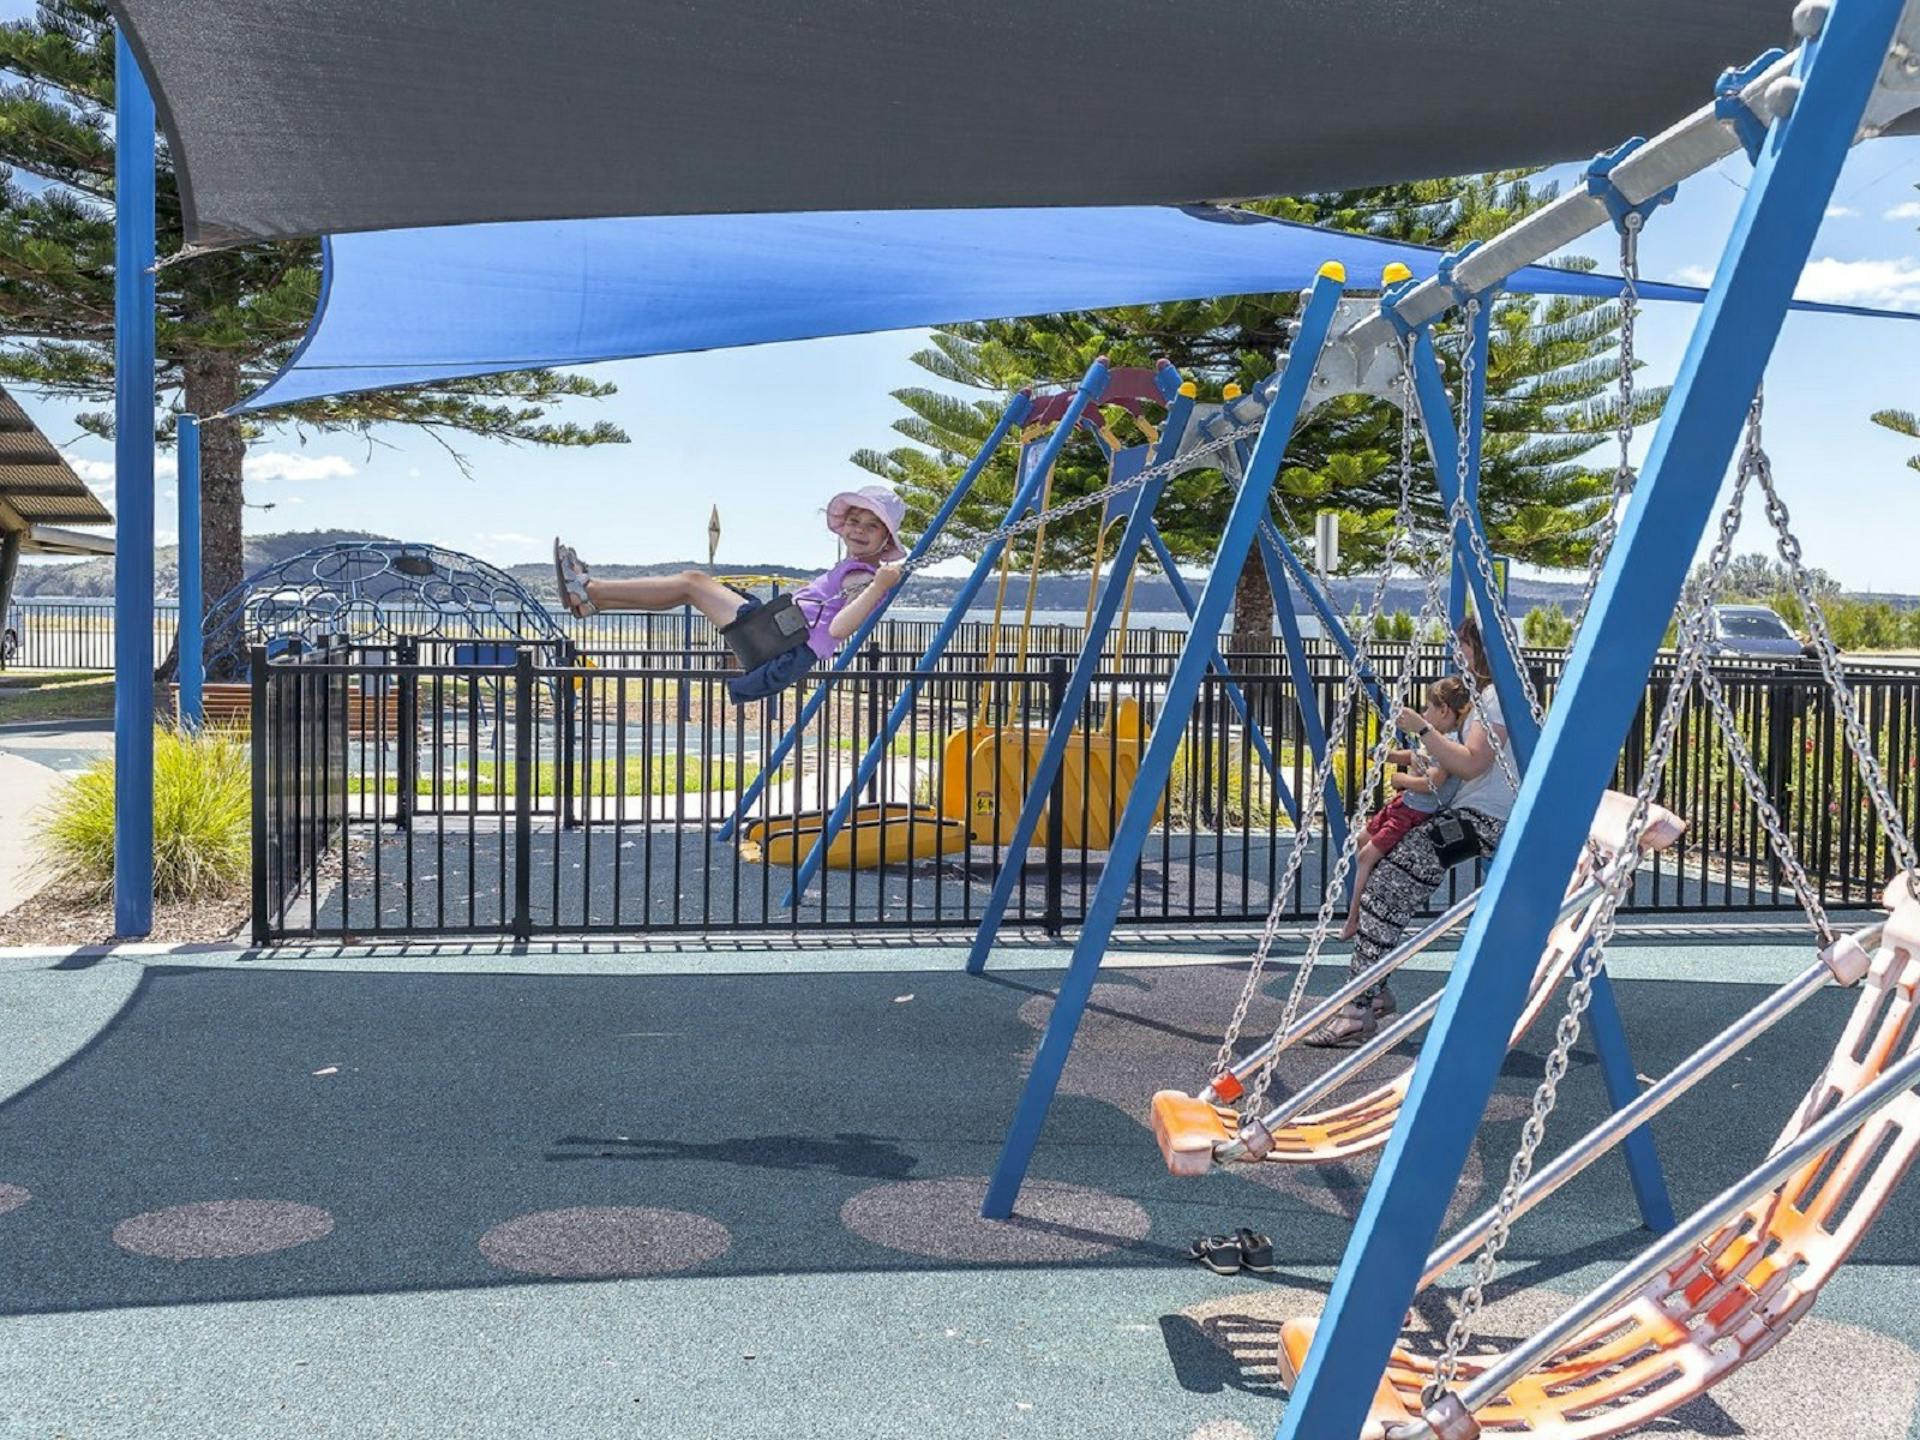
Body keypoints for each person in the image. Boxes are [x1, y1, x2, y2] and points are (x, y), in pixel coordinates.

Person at [1308, 615, 1516, 1048]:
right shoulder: (1486, 696)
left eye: (1463, 644)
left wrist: (1421, 729)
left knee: (1386, 888)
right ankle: (1372, 993)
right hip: (1471, 813)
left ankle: (1358, 1009)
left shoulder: (1496, 698)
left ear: (1481, 649)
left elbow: (1472, 763)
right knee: (1386, 879)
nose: (1457, 652)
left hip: (1486, 819)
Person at [553, 484, 908, 703]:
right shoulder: (853, 569)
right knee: (690, 589)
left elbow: (839, 629)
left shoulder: (864, 576)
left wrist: (879, 586)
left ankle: (589, 589)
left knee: (692, 583)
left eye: (872, 526)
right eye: (855, 521)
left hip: (782, 642)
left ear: (885, 540)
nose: (859, 531)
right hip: (779, 632)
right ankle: (590, 601)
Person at [1339, 675, 1472, 941]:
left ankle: (1354, 918)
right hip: (1403, 805)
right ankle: (1371, 896)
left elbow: (1433, 781)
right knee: (1362, 839)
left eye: (1428, 708)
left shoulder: (1451, 744)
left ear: (1444, 710)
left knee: (1365, 856)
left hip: (1413, 814)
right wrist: (1387, 755)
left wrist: (1401, 780)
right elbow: (1415, 756)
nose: (1424, 714)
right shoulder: (1438, 739)